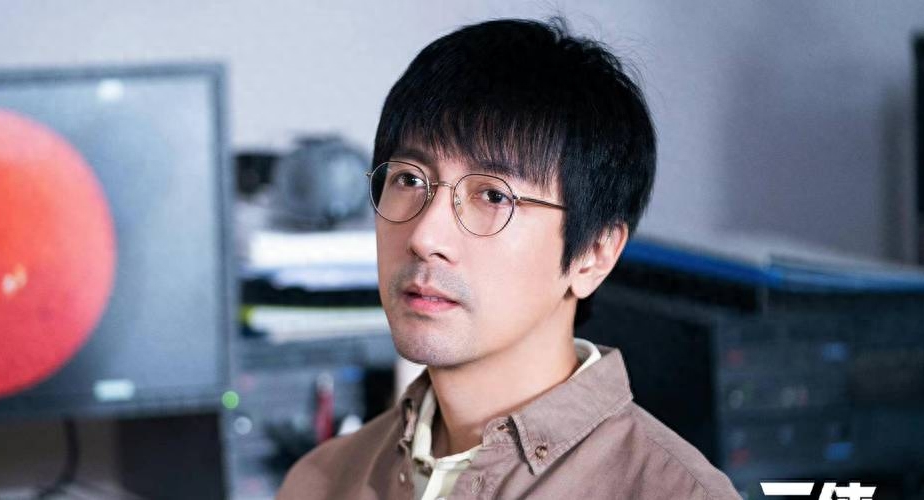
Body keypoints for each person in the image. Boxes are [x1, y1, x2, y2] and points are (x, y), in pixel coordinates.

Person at [278, 17, 741, 500]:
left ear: (594, 254)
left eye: (493, 196)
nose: (425, 236)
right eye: (409, 179)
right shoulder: (319, 482)